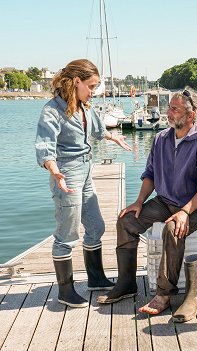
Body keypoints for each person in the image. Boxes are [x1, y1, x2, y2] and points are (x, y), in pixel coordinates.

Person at [97, 88, 197, 323]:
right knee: (127, 220)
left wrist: (185, 212)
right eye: (169, 108)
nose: (168, 113)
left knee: (173, 229)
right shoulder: (160, 138)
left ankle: (164, 294)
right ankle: (127, 283)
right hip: (165, 200)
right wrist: (138, 202)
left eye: (175, 109)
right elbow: (150, 175)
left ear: (191, 114)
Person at [35, 59, 132, 308]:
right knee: (67, 234)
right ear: (76, 81)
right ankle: (65, 291)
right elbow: (45, 146)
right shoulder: (52, 110)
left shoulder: (83, 106)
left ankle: (96, 277)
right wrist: (54, 170)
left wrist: (114, 137)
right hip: (66, 174)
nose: (93, 91)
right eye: (91, 86)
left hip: (87, 170)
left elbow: (98, 129)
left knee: (96, 226)